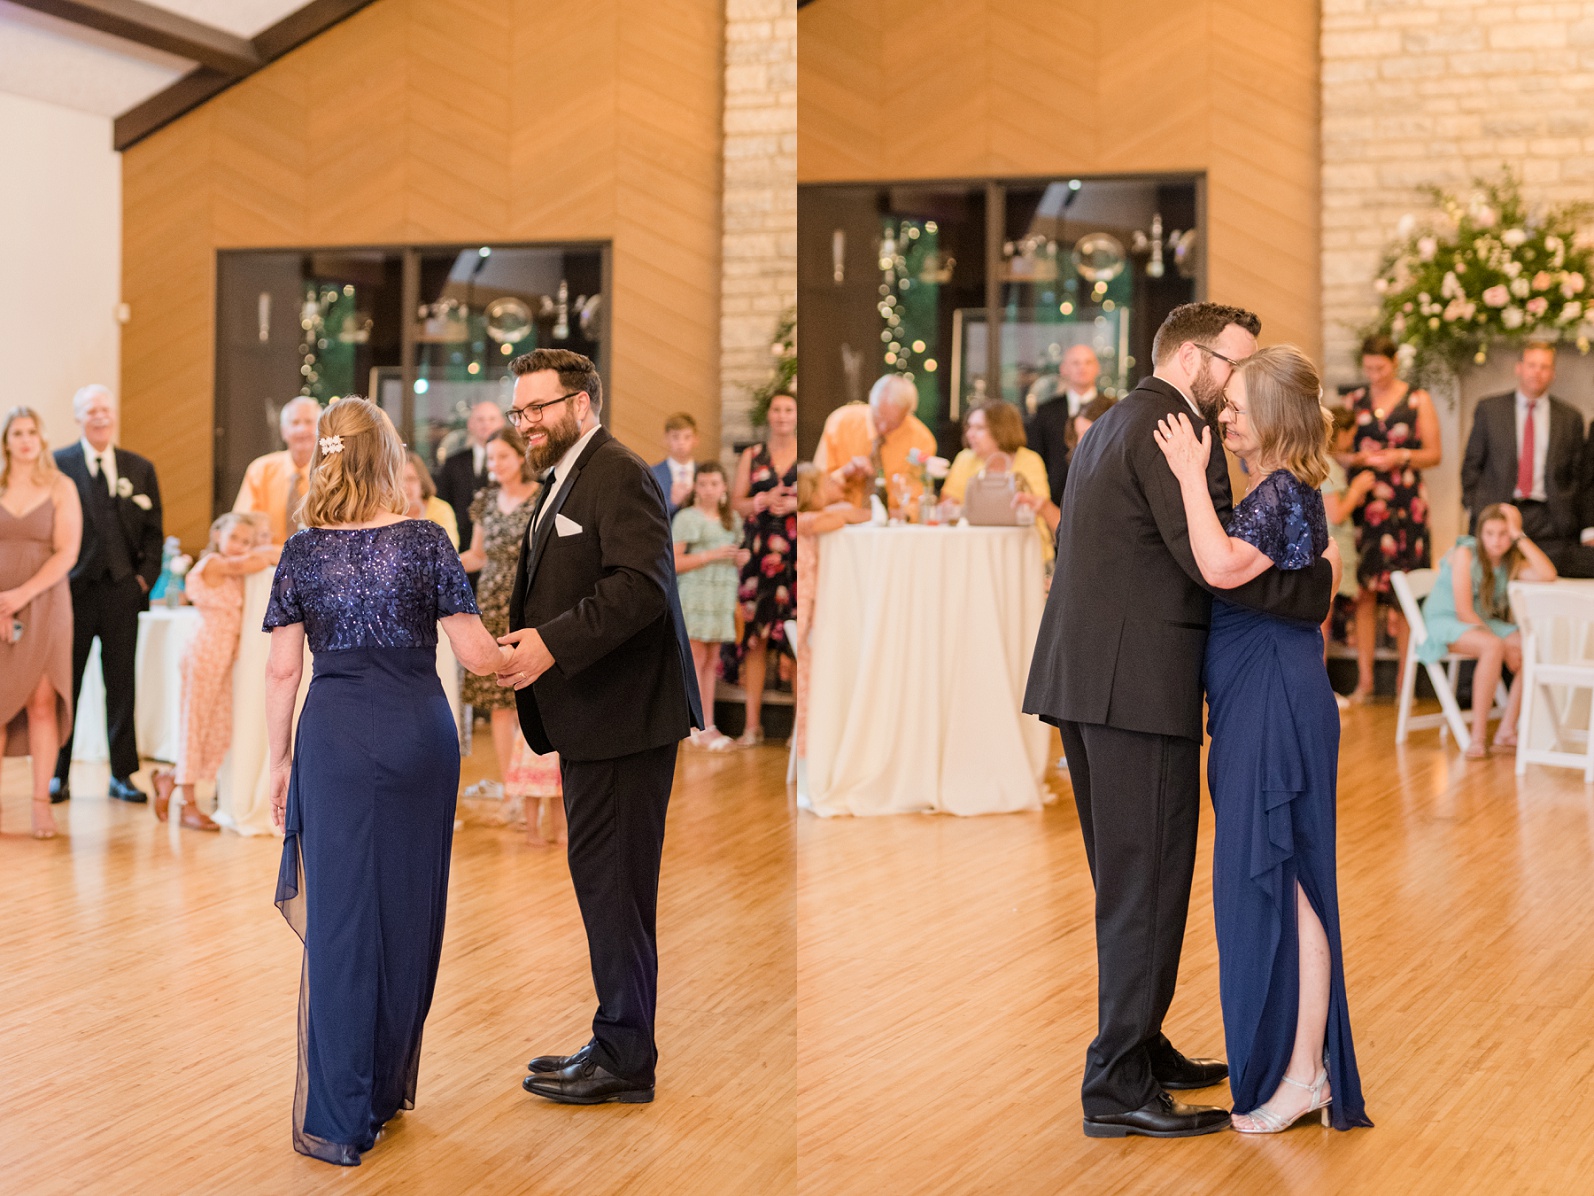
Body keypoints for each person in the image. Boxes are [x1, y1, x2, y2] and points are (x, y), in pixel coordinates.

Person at [1023, 303, 1333, 1139]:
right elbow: (1214, 564)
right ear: (1194, 358)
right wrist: (1314, 587)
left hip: (1090, 683)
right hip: (1136, 692)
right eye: (1233, 365)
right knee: (1146, 888)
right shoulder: (1175, 429)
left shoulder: (1114, 420)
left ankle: (1143, 1046)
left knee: (1132, 884)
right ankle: (1116, 1084)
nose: (1236, 385)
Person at [264, 396, 508, 1166]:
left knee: (340, 921)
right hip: (416, 735)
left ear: (325, 458)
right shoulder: (427, 540)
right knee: (408, 911)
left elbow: (282, 672)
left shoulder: (301, 552)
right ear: (389, 457)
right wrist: (543, 651)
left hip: (333, 738)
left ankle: (340, 1112)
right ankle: (382, 1089)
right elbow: (477, 655)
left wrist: (277, 760)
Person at [1153, 344, 1371, 1134]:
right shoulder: (1286, 492)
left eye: (1238, 406)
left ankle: (1305, 1074)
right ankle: (1298, 1066)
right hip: (1266, 695)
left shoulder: (1279, 492)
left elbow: (1217, 565)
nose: (1224, 417)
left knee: (1289, 881)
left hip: (1275, 701)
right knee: (1280, 879)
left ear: (1275, 416)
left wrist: (1187, 473)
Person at [496, 348, 701, 1106]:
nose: (527, 423)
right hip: (595, 718)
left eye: (538, 407)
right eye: (519, 410)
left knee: (615, 888)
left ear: (581, 403)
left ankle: (624, 1057)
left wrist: (549, 644)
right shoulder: (567, 477)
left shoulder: (618, 472)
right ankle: (618, 1040)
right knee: (607, 886)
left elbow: (641, 588)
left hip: (625, 720)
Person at [51, 384, 164, 806]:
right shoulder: (58, 464)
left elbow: (154, 532)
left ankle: (122, 774)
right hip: (72, 594)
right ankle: (57, 773)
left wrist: (142, 581)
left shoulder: (139, 467)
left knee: (121, 686)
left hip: (122, 593)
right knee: (67, 684)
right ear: (78, 417)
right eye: (91, 410)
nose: (100, 416)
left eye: (105, 409)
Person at [151, 513, 274, 831]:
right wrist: (270, 550)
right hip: (205, 651)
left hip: (224, 657)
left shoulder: (233, 569)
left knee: (217, 728)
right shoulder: (215, 564)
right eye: (234, 538)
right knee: (195, 724)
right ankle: (188, 804)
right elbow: (259, 561)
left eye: (246, 541)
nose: (239, 546)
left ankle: (170, 779)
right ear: (217, 535)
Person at [1345, 334, 1442, 701]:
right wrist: (1359, 460)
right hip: (1367, 505)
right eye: (1368, 368)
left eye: (1380, 367)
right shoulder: (1354, 401)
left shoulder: (1417, 399)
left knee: (1404, 596)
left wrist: (1400, 457)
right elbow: (1337, 449)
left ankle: (1405, 684)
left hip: (1405, 506)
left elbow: (1434, 453)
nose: (1374, 374)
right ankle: (1365, 682)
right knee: (1365, 592)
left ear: (1395, 363)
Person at [0, 407, 81, 838]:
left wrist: (20, 596)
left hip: (45, 602)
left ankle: (40, 804)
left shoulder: (59, 485)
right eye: (18, 433)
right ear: (6, 441)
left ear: (42, 438)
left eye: (33, 432)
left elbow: (67, 552)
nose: (26, 439)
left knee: (43, 702)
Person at [1419, 502, 1556, 757]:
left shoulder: (1509, 562)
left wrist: (1519, 534)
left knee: (1530, 644)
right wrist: (1504, 646)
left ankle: (1506, 730)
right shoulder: (1466, 553)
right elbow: (1463, 611)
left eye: (1504, 534)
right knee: (1493, 646)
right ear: (1480, 533)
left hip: (1480, 621)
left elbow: (1547, 574)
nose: (1496, 541)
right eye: (1490, 533)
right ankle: (1477, 738)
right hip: (1447, 619)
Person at [1461, 342, 1594, 577]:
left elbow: (1579, 476)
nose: (1537, 372)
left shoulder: (1570, 417)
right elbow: (1472, 465)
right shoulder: (1490, 410)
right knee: (1493, 580)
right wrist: (1478, 506)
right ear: (1519, 368)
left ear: (1552, 373)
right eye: (1532, 365)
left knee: (1550, 579)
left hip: (1550, 520)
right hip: (1501, 513)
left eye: (1544, 367)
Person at [457, 426, 540, 799]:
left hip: (527, 601)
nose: (496, 464)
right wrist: (438, 566)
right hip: (490, 601)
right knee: (499, 701)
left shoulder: (541, 497)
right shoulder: (486, 499)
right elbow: (478, 555)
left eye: (503, 456)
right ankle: (511, 788)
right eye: (491, 458)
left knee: (529, 696)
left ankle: (536, 785)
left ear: (521, 457)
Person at [728, 392, 799, 746]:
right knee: (755, 639)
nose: (782, 415)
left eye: (789, 409)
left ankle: (799, 732)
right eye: (777, 409)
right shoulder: (752, 455)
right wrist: (762, 500)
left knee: (796, 640)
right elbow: (735, 503)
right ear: (769, 415)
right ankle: (751, 726)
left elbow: (822, 499)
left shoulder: (807, 453)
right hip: (758, 556)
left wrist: (796, 505)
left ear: (796, 415)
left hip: (796, 556)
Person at [792, 463, 869, 764]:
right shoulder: (804, 520)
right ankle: (806, 745)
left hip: (810, 607)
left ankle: (811, 743)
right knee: (806, 675)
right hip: (803, 607)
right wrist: (845, 511)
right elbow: (839, 519)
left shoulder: (810, 517)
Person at [672, 461, 751, 750]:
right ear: (696, 487)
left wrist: (740, 557)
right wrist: (712, 555)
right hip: (695, 594)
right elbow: (675, 562)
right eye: (703, 483)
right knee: (695, 659)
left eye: (714, 483)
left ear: (724, 487)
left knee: (711, 661)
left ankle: (708, 722)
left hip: (721, 594)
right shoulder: (687, 518)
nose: (708, 489)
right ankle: (692, 725)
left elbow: (737, 552)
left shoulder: (731, 519)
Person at [941, 400, 1054, 556]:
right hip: (975, 549)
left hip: (1024, 550)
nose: (970, 434)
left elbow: (1038, 506)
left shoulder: (1029, 460)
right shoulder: (965, 459)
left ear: (1001, 430)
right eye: (969, 427)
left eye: (979, 428)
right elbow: (948, 506)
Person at [814, 374, 937, 510]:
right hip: (840, 516)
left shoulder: (921, 439)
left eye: (894, 423)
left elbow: (917, 501)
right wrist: (845, 473)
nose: (883, 428)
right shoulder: (841, 423)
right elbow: (814, 490)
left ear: (908, 414)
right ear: (870, 399)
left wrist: (897, 515)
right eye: (879, 417)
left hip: (892, 520)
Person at [1321, 408, 1376, 695]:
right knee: (1323, 623)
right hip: (1331, 550)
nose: (1351, 442)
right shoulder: (1329, 467)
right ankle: (1319, 688)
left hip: (1328, 550)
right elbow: (1337, 514)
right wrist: (1356, 490)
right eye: (1350, 435)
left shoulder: (1325, 462)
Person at [234, 395, 322, 551]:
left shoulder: (332, 472)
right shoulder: (261, 469)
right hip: (266, 559)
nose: (302, 429)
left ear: (321, 429)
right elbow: (242, 524)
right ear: (283, 431)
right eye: (295, 422)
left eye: (309, 422)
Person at [1027, 344, 1101, 505]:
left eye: (1088, 362)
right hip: (1055, 498)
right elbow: (1035, 456)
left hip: (1102, 497)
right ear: (1063, 369)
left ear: (1097, 368)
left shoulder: (1114, 409)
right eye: (1075, 363)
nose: (1082, 368)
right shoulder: (1046, 411)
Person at [435, 400, 506, 560]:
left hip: (500, 545)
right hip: (460, 545)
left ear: (501, 423)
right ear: (470, 424)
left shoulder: (513, 463)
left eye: (492, 419)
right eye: (480, 419)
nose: (486, 424)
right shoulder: (453, 463)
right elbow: (442, 502)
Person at [402, 451, 460, 548]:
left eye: (411, 479)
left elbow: (449, 549)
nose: (404, 486)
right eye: (398, 480)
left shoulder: (441, 510)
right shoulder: (388, 510)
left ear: (422, 482)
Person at [651, 412, 699, 516]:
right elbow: (650, 512)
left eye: (687, 437)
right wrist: (672, 503)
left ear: (695, 439)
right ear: (666, 439)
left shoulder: (702, 472)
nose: (681, 443)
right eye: (675, 437)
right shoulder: (654, 473)